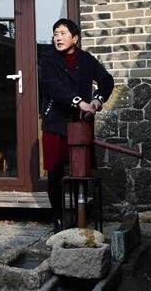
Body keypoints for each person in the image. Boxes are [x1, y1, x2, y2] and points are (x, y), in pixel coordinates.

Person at [38, 18, 114, 232]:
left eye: (63, 33)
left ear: (75, 38)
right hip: (55, 121)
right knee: (55, 171)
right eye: (55, 34)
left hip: (80, 123)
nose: (58, 38)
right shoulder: (48, 59)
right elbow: (53, 87)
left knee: (80, 170)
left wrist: (97, 101)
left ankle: (80, 215)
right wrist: (80, 102)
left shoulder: (86, 59)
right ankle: (58, 218)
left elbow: (107, 80)